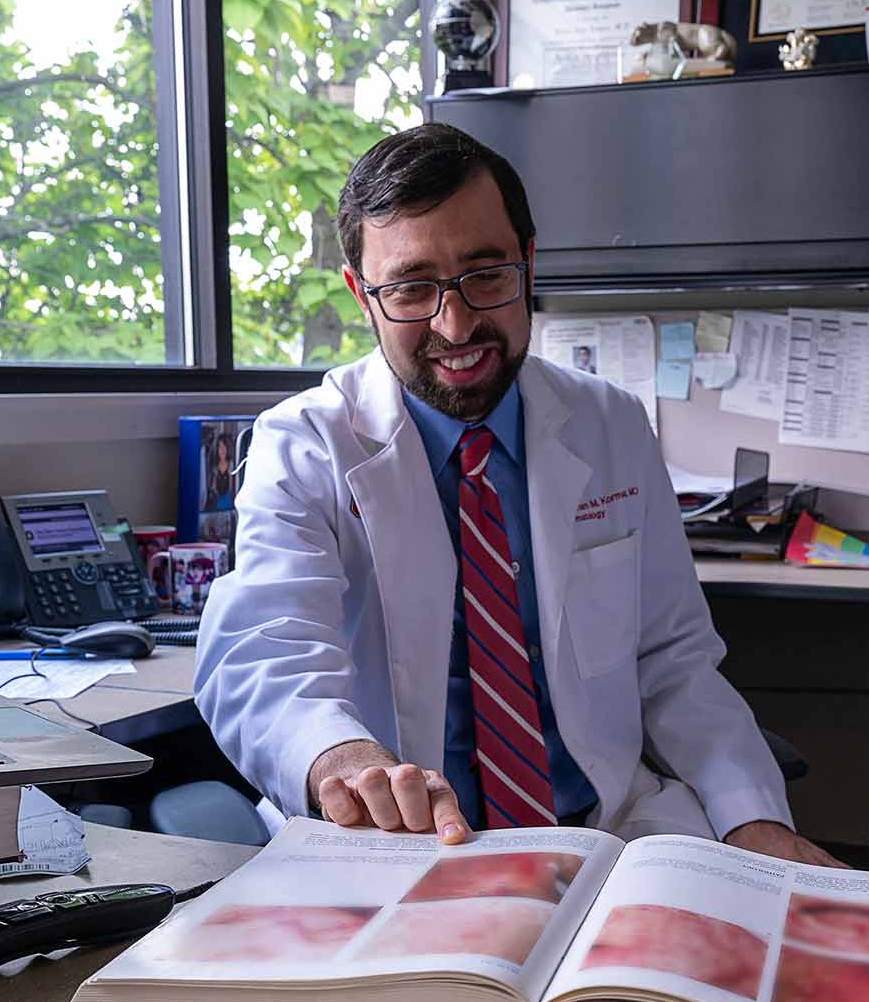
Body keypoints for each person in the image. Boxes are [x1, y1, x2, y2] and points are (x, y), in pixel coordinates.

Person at [194, 123, 834, 864]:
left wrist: (752, 820)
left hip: (608, 831)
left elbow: (672, 660)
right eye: (411, 288)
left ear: (528, 263)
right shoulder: (304, 445)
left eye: (485, 275)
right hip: (396, 840)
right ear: (361, 295)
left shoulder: (610, 424)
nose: (455, 323)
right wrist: (341, 761)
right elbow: (267, 650)